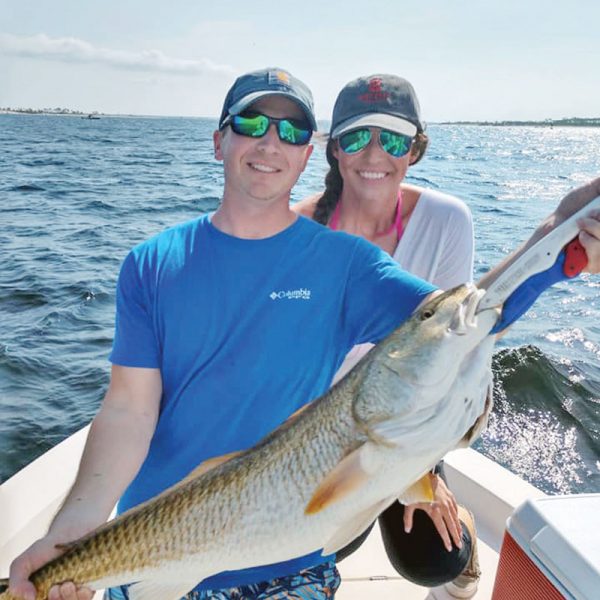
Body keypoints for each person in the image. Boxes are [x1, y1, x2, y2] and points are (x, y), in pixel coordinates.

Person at [7, 66, 600, 600]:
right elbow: (129, 409)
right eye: (251, 123)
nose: (270, 142)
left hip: (287, 562)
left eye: (291, 132)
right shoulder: (151, 262)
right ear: (218, 141)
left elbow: (466, 317)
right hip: (150, 541)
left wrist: (559, 239)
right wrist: (71, 532)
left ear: (308, 152)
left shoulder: (347, 265)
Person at [293, 74, 479, 597]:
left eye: (393, 139)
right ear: (334, 149)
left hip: (408, 426)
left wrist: (420, 477)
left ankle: (454, 509)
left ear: (415, 149)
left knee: (436, 559)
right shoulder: (294, 230)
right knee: (320, 543)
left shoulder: (448, 220)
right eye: (356, 137)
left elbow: (447, 359)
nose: (374, 154)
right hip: (322, 431)